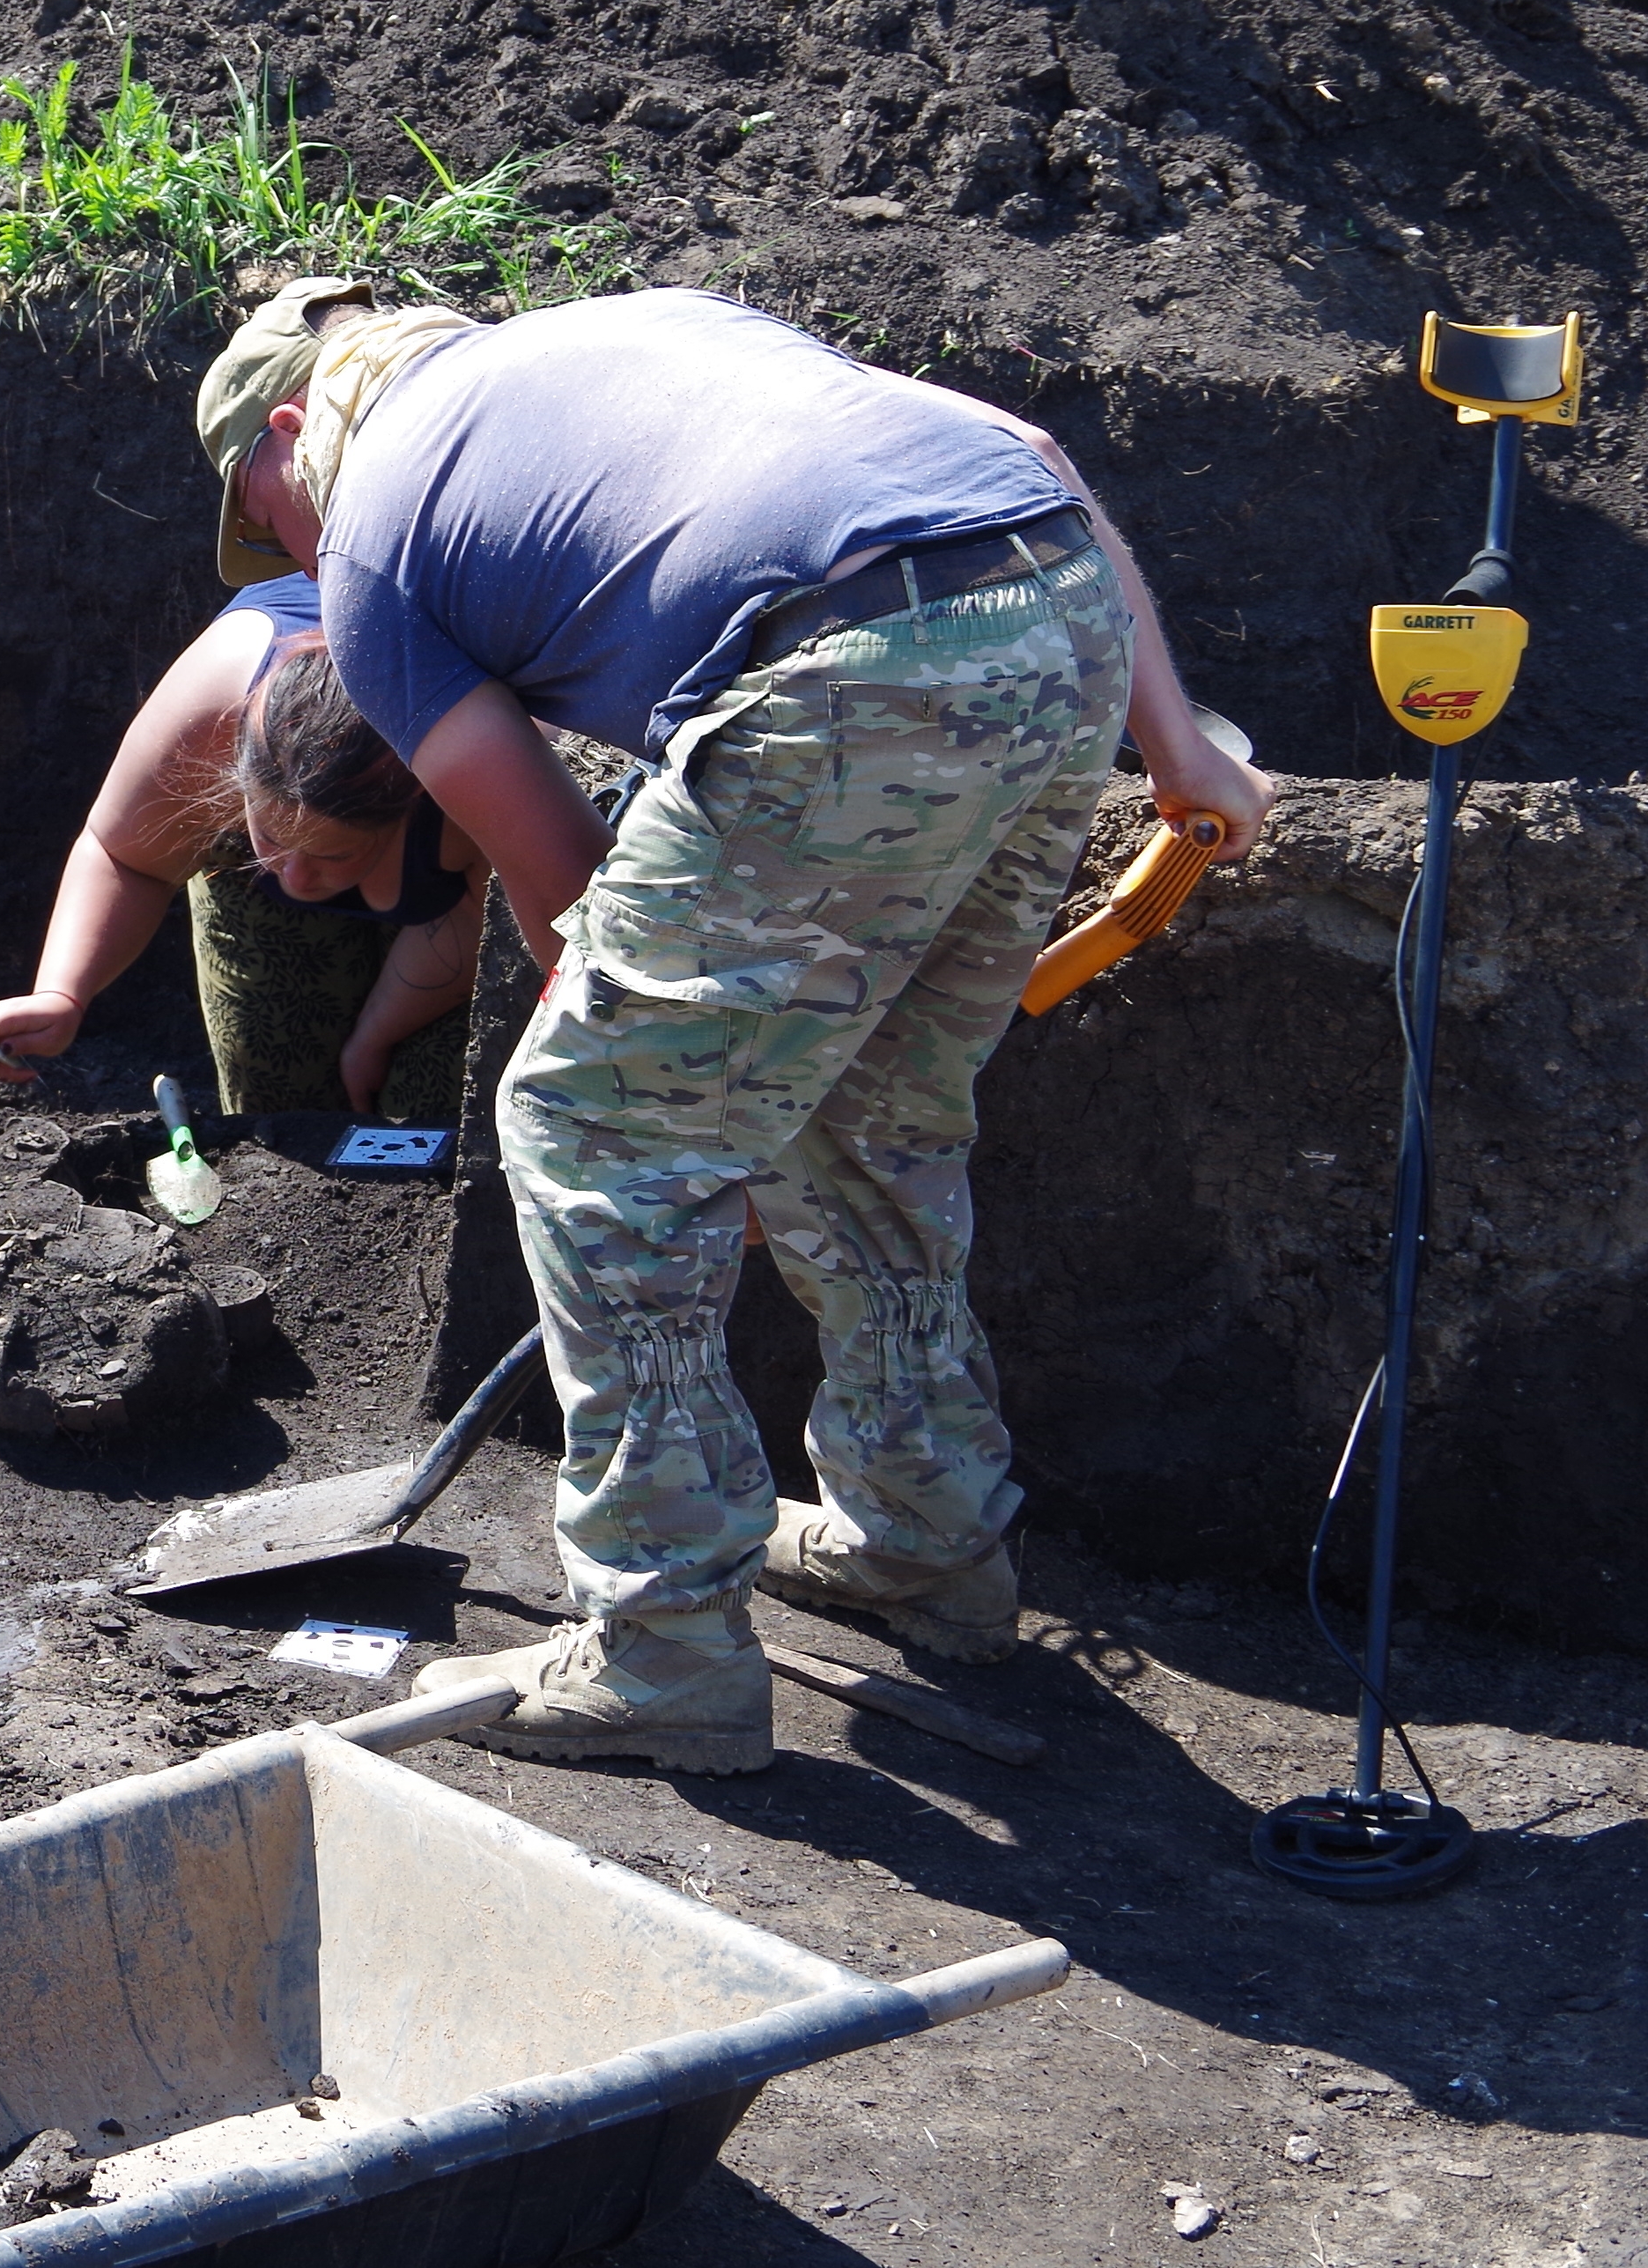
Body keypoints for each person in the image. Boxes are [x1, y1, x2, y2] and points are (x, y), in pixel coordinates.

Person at [207, 284, 1272, 1777]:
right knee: (869, 1111)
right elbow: (1024, 446)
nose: (290, 552)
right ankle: (922, 1534)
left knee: (586, 1131)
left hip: (843, 664)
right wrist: (1171, 736)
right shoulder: (629, 330)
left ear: (287, 428)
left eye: (264, 513)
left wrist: (671, 1114)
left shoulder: (378, 535)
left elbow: (561, 878)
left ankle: (660, 1649)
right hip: (1050, 612)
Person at [0, 574, 494, 1122]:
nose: (294, 877)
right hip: (242, 855)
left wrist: (375, 1038)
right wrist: (63, 994)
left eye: (331, 855)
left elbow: (471, 918)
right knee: (275, 1102)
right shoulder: (210, 709)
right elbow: (124, 854)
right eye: (272, 835)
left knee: (434, 1114)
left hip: (454, 870)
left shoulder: (476, 766)